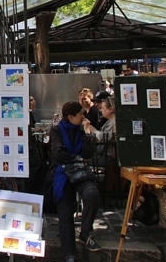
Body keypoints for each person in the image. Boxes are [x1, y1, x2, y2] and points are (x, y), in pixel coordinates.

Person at [50, 101, 101, 262]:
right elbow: (58, 154)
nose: (83, 117)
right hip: (63, 172)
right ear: (70, 117)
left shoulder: (81, 129)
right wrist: (78, 157)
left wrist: (87, 132)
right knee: (65, 212)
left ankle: (85, 233)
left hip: (81, 172)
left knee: (92, 194)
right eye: (80, 114)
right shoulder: (57, 130)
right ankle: (69, 254)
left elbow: (88, 152)